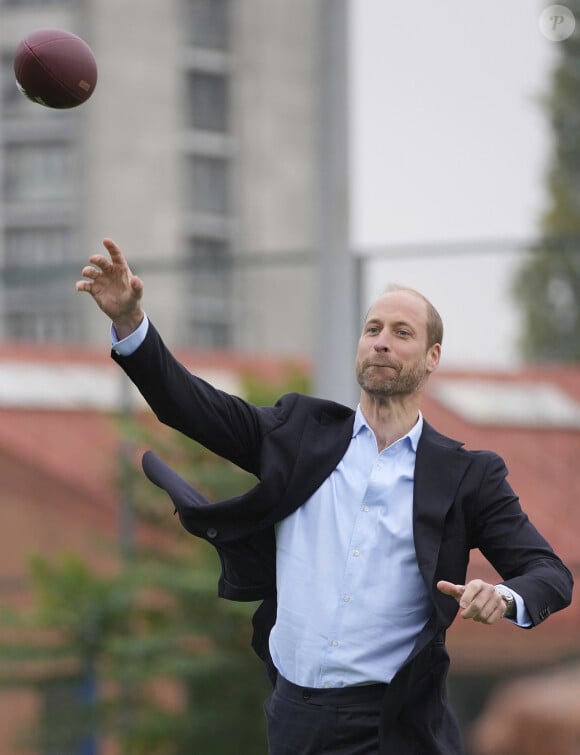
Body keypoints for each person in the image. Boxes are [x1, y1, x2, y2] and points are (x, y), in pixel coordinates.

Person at [77, 238, 573, 755]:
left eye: (402, 333)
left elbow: (549, 574)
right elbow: (192, 406)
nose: (381, 341)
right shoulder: (300, 433)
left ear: (432, 358)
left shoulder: (468, 475)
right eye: (373, 329)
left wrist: (505, 597)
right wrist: (133, 326)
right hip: (294, 717)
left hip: (394, 727)